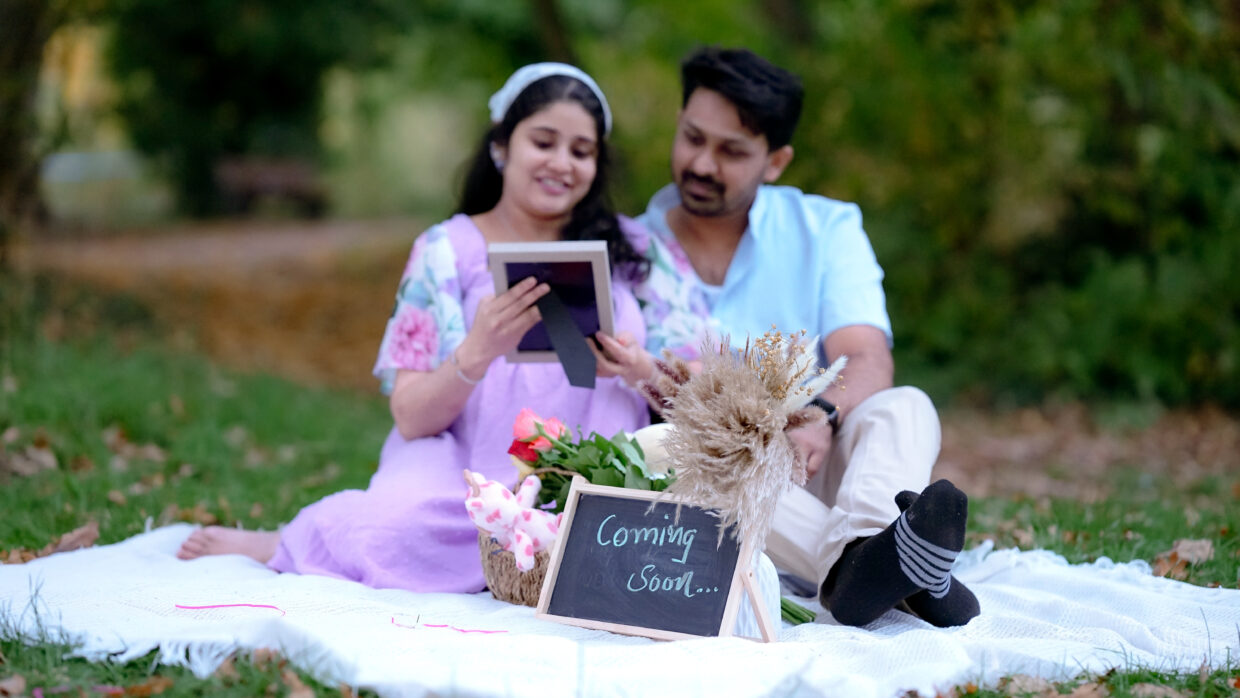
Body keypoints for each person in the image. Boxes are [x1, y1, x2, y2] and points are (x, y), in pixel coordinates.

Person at [177, 63, 664, 592]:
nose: (561, 163)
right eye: (543, 142)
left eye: (581, 151)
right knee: (397, 526)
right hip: (469, 476)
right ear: (501, 146)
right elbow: (410, 417)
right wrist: (475, 353)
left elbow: (699, 385)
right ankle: (290, 541)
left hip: (601, 474)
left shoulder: (632, 252)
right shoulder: (446, 252)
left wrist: (642, 369)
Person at [632, 46, 980, 627]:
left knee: (904, 405)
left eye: (732, 151)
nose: (702, 163)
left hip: (822, 472)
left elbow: (866, 356)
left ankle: (869, 553)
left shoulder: (826, 228)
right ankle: (887, 570)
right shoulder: (631, 250)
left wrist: (820, 414)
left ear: (776, 161)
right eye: (693, 138)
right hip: (723, 488)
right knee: (660, 452)